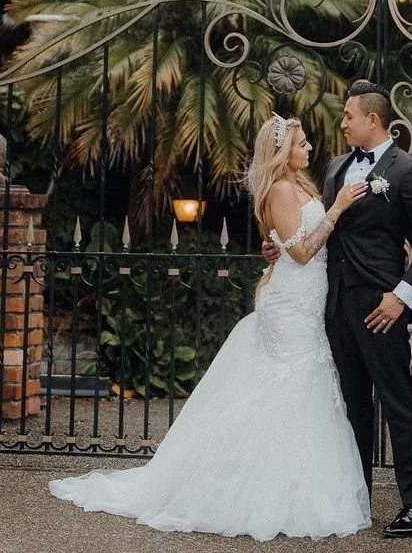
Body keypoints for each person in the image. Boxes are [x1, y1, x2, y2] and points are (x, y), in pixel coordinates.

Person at [49, 115, 372, 540]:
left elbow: (282, 243)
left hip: (308, 302)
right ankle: (250, 487)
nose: (310, 148)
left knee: (304, 385)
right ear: (283, 152)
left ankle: (289, 480)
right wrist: (337, 208)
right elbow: (301, 254)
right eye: (303, 143)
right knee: (286, 386)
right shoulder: (278, 189)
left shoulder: (302, 186)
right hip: (290, 302)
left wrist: (300, 229)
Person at [265, 80, 412, 539]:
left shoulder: (408, 171)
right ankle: (356, 495)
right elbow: (319, 230)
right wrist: (281, 250)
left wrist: (401, 296)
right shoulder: (334, 167)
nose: (341, 123)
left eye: (348, 116)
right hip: (332, 304)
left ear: (372, 119)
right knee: (350, 407)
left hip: (380, 306)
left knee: (397, 402)